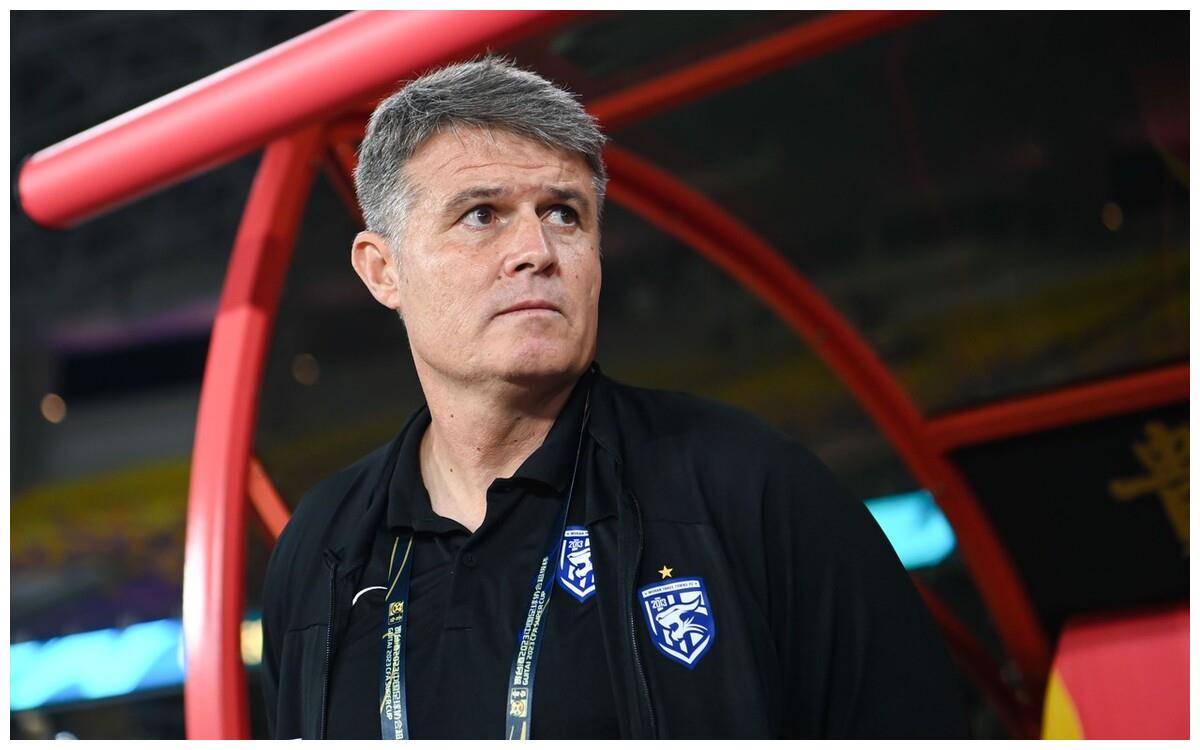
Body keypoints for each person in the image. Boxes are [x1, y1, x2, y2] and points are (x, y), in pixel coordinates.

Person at [260, 56, 966, 740]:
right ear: (382, 270)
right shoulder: (322, 546)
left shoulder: (748, 488)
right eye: (482, 214)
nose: (537, 249)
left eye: (564, 214)